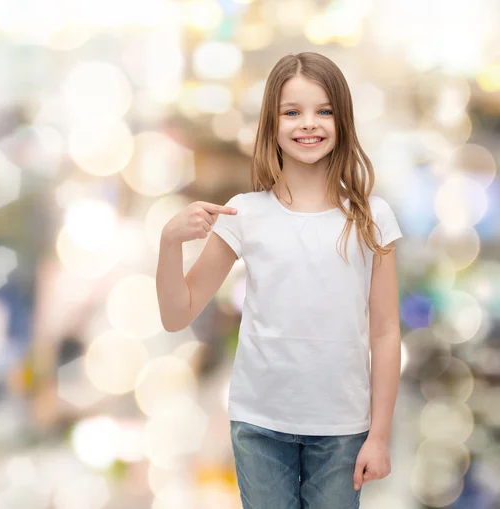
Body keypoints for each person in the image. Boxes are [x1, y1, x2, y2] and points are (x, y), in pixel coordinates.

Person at [156, 51, 402, 509]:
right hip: (259, 426)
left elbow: (386, 331)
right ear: (272, 123)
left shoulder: (371, 218)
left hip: (343, 429)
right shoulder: (244, 213)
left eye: (323, 111)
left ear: (342, 120)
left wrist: (380, 435)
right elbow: (177, 314)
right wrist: (170, 243)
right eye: (292, 112)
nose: (308, 124)